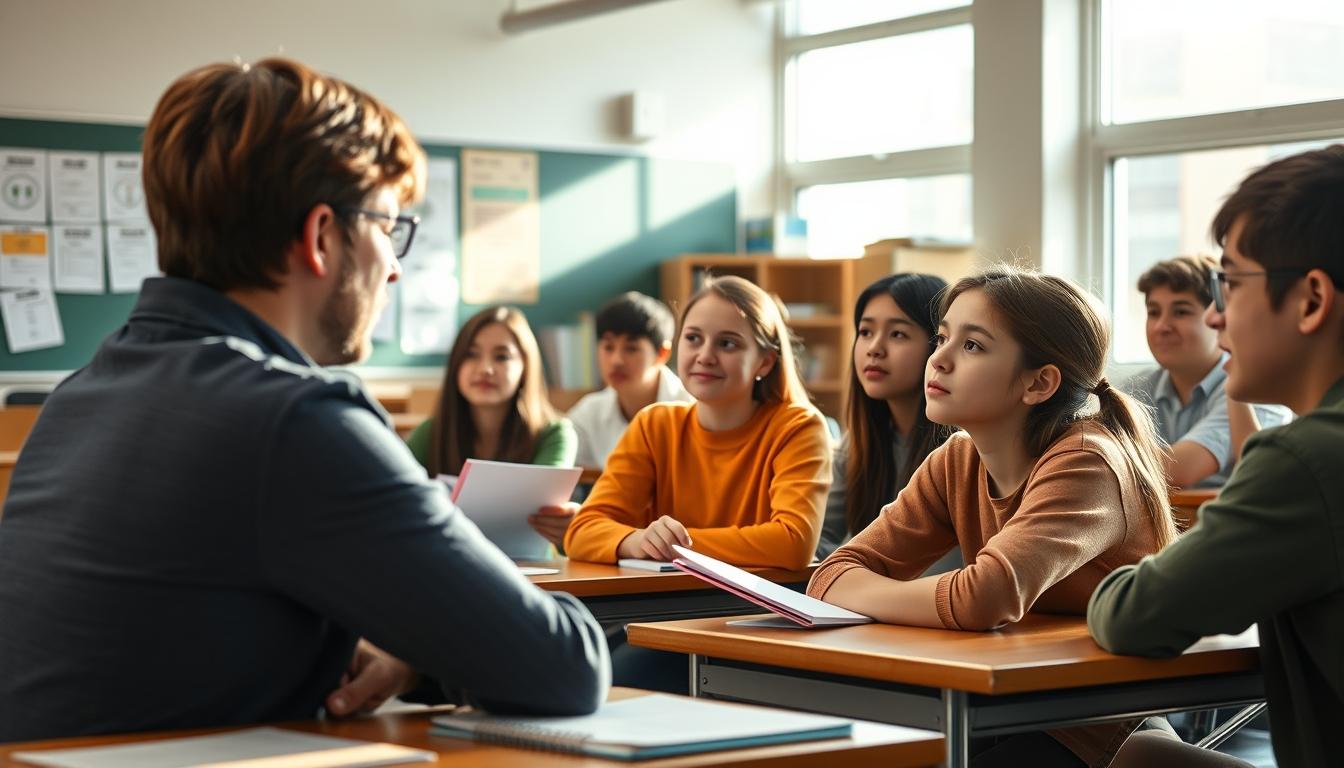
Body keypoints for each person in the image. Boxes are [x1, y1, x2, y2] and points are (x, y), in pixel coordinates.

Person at [0, 58, 608, 744]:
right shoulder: (294, 420)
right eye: (387, 228)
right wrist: (426, 644)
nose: (395, 266)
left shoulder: (78, 398)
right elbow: (565, 668)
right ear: (321, 237)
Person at [808, 267, 1246, 767]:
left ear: (1039, 383)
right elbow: (831, 574)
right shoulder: (957, 459)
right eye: (942, 338)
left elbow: (984, 597)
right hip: (1001, 706)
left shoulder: (1087, 460)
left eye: (972, 346)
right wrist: (894, 590)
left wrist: (871, 592)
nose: (939, 359)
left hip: (1096, 725)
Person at [1089, 145, 1344, 768]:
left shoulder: (1306, 458)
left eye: (1229, 284)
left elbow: (1132, 616)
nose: (1214, 315)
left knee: (1134, 756)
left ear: (1311, 300)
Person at [564, 275, 830, 571]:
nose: (705, 356)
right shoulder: (654, 425)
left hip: (759, 600)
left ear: (765, 362)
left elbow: (793, 542)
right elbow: (582, 531)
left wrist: (670, 545)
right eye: (693, 338)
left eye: (727, 344)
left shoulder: (798, 427)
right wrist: (637, 540)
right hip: (662, 595)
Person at [1122, 255, 1290, 487]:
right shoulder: (1134, 390)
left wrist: (1104, 461)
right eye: (1153, 312)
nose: (1162, 326)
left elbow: (1180, 470)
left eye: (1181, 312)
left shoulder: (1255, 388)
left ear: (1218, 317)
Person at [816, 273, 949, 559]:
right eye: (865, 332)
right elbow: (819, 538)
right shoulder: (858, 443)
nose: (874, 348)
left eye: (898, 334)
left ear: (939, 346)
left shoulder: (962, 451)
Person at [405, 305, 576, 476]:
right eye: (471, 354)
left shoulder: (554, 435)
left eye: (502, 357)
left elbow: (545, 492)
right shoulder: (431, 433)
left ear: (526, 366)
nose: (485, 369)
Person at [568, 291, 692, 470]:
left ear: (661, 353)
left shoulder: (691, 408)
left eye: (631, 348)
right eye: (608, 347)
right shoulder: (589, 413)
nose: (616, 360)